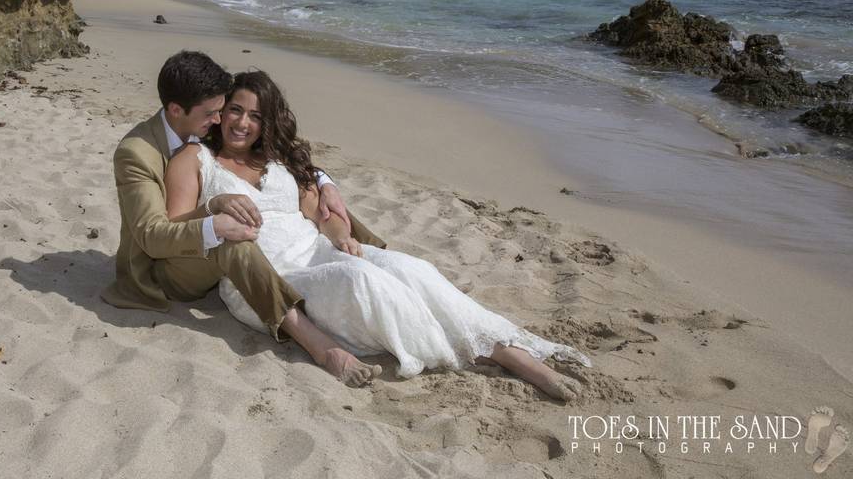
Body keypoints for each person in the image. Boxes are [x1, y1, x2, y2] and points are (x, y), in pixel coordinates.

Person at [164, 70, 591, 401]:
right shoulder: (196, 159)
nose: (243, 123)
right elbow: (177, 225)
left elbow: (320, 213)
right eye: (236, 110)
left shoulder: (274, 159)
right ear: (220, 113)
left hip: (315, 250)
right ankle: (484, 353)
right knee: (362, 281)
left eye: (256, 115)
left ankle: (504, 348)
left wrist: (340, 235)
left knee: (411, 267)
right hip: (264, 279)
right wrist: (215, 206)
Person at [101, 51, 386, 386]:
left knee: (322, 202)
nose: (222, 120)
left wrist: (324, 181)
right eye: (213, 113)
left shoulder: (197, 124)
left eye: (222, 109)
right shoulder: (137, 152)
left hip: (201, 251)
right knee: (232, 239)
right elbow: (153, 235)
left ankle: (381, 256)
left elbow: (281, 159)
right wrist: (213, 216)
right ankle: (322, 348)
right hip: (164, 268)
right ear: (177, 110)